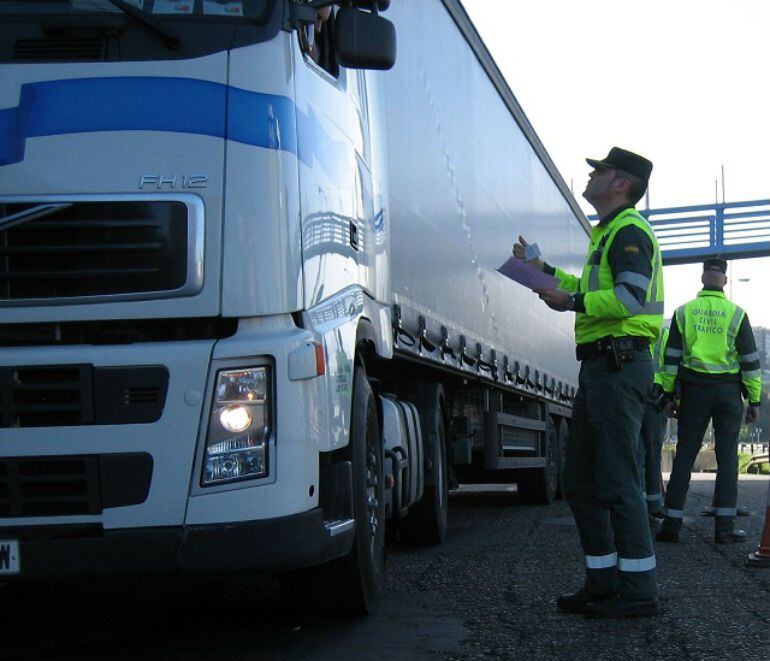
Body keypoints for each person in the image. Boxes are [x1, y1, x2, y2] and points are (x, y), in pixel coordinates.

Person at [514, 146, 664, 618]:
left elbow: (629, 298)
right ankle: (602, 582)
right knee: (580, 482)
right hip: (602, 368)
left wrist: (569, 302)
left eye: (599, 170)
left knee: (619, 481)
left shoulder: (629, 231)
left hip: (618, 367)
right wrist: (544, 274)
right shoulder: (608, 234)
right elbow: (592, 289)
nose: (592, 175)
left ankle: (639, 592)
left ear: (620, 183)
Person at [656, 258, 762, 544]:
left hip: (694, 392)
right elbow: (750, 362)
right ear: (724, 281)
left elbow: (671, 360)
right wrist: (754, 400)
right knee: (727, 459)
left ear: (702, 278)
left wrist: (668, 395)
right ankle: (724, 529)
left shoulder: (684, 313)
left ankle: (671, 525)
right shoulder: (736, 314)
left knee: (685, 455)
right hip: (728, 393)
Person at [640, 327, 669, 524]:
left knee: (635, 452)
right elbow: (673, 366)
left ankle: (638, 505)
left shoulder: (627, 327)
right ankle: (653, 506)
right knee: (652, 453)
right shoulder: (664, 334)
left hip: (634, 393)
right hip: (657, 398)